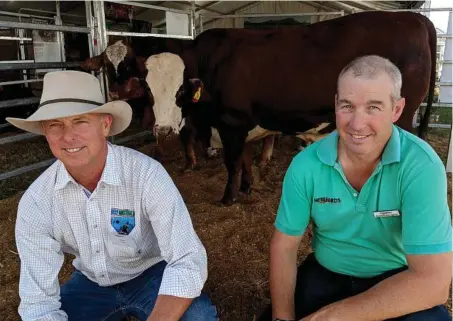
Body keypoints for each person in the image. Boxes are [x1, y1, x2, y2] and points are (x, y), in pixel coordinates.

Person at [8, 70, 217, 321]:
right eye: (55, 124)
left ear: (105, 125)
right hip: (90, 282)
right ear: (45, 131)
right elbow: (38, 301)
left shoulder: (146, 175)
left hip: (151, 273)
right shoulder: (37, 201)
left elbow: (187, 258)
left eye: (80, 121)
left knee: (197, 317)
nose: (68, 135)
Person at [260, 55, 452, 321]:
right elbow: (284, 247)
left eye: (373, 107)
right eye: (347, 106)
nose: (357, 124)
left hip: (395, 278)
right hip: (327, 273)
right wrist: (282, 318)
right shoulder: (306, 164)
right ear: (336, 104)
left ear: (397, 110)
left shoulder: (421, 166)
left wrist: (335, 316)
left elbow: (433, 282)